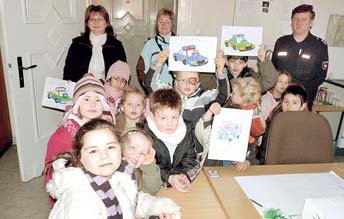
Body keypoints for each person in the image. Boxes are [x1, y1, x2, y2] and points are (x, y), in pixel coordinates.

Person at [46, 119, 181, 219]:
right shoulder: (80, 199)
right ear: (80, 157)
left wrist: (158, 207)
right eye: (93, 151)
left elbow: (129, 202)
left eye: (110, 147)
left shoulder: (117, 176)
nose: (104, 156)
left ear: (120, 149)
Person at [44, 73, 114, 186]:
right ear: (77, 104)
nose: (92, 104)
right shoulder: (61, 136)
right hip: (74, 189)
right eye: (86, 99)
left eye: (97, 100)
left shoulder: (108, 131)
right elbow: (50, 172)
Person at [144, 89, 212, 192]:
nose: (170, 123)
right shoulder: (145, 136)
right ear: (152, 116)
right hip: (156, 186)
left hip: (179, 183)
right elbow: (149, 165)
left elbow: (190, 159)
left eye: (174, 117)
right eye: (163, 118)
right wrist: (170, 178)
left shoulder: (186, 130)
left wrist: (182, 176)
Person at [144, 50, 230, 125]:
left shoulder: (205, 97)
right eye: (183, 80)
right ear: (176, 83)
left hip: (194, 141)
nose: (187, 84)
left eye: (192, 81)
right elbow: (150, 84)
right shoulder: (167, 95)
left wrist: (220, 70)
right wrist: (159, 62)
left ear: (197, 84)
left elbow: (223, 95)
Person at [271, 4, 328, 110]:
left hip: (304, 99)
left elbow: (321, 76)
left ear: (311, 23)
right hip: (281, 97)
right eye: (296, 19)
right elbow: (274, 69)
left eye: (304, 19)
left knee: (299, 125)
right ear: (291, 21)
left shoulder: (319, 46)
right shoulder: (281, 42)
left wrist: (299, 93)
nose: (299, 22)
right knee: (277, 124)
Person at [63, 4, 127, 82]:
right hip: (81, 86)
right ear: (87, 23)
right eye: (92, 19)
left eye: (100, 19)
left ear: (106, 23)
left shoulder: (116, 45)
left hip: (108, 89)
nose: (96, 22)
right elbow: (68, 70)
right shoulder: (77, 44)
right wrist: (68, 82)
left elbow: (123, 72)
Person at [223, 78, 266, 171]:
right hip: (226, 153)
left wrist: (248, 161)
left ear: (244, 97)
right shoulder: (233, 106)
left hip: (239, 162)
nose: (231, 95)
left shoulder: (252, 118)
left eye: (234, 93)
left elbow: (253, 143)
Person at [258, 84, 308, 164]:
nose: (289, 106)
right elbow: (264, 153)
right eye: (286, 102)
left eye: (294, 103)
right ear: (281, 102)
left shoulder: (307, 125)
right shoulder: (273, 122)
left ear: (302, 106)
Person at [136, 8, 175, 91]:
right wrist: (148, 87)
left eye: (167, 22)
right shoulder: (150, 44)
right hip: (156, 89)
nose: (164, 25)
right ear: (157, 24)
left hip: (176, 90)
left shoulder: (179, 43)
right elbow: (140, 69)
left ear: (172, 25)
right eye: (160, 22)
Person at [120, 128, 162, 195]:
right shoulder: (110, 169)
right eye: (132, 147)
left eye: (142, 153)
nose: (137, 155)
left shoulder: (136, 172)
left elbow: (150, 192)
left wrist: (149, 165)